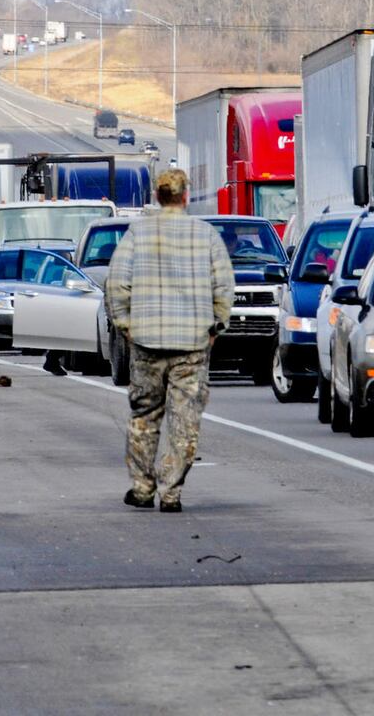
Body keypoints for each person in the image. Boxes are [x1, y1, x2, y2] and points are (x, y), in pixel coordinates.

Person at [106, 169, 233, 513]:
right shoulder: (206, 235)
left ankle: (143, 487)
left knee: (145, 414)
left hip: (147, 342)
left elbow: (117, 283)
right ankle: (171, 491)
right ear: (185, 196)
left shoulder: (137, 234)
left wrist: (125, 324)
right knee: (184, 418)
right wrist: (215, 326)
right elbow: (223, 286)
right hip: (191, 343)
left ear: (157, 197)